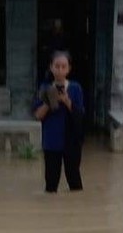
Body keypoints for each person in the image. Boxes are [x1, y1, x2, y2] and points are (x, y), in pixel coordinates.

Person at [33, 51, 85, 193]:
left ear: (69, 69)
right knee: (50, 185)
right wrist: (51, 101)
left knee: (75, 183)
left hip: (72, 142)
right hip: (51, 142)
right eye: (57, 66)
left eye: (63, 66)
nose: (60, 70)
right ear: (51, 67)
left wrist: (67, 101)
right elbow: (38, 115)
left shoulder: (75, 88)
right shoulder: (45, 88)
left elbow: (80, 115)